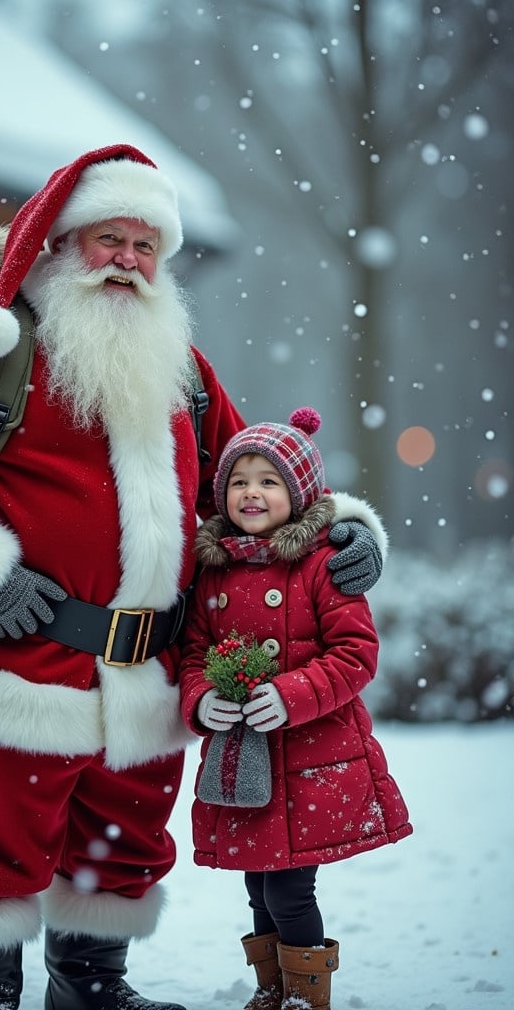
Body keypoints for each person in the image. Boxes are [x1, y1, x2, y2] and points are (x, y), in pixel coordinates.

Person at [0, 145, 387, 1010]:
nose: (129, 262)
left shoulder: (178, 364)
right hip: (17, 658)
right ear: (63, 244)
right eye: (111, 239)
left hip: (149, 666)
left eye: (147, 248)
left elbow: (254, 480)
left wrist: (341, 533)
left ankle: (93, 990)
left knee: (119, 844)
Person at [179, 408, 412, 1010]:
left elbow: (356, 655)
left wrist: (290, 695)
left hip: (312, 753)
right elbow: (195, 654)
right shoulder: (214, 572)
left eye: (268, 481)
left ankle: (306, 997)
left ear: (300, 492)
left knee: (288, 889)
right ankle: (271, 991)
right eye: (238, 481)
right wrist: (203, 701)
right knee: (258, 887)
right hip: (246, 758)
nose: (251, 493)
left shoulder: (321, 566)